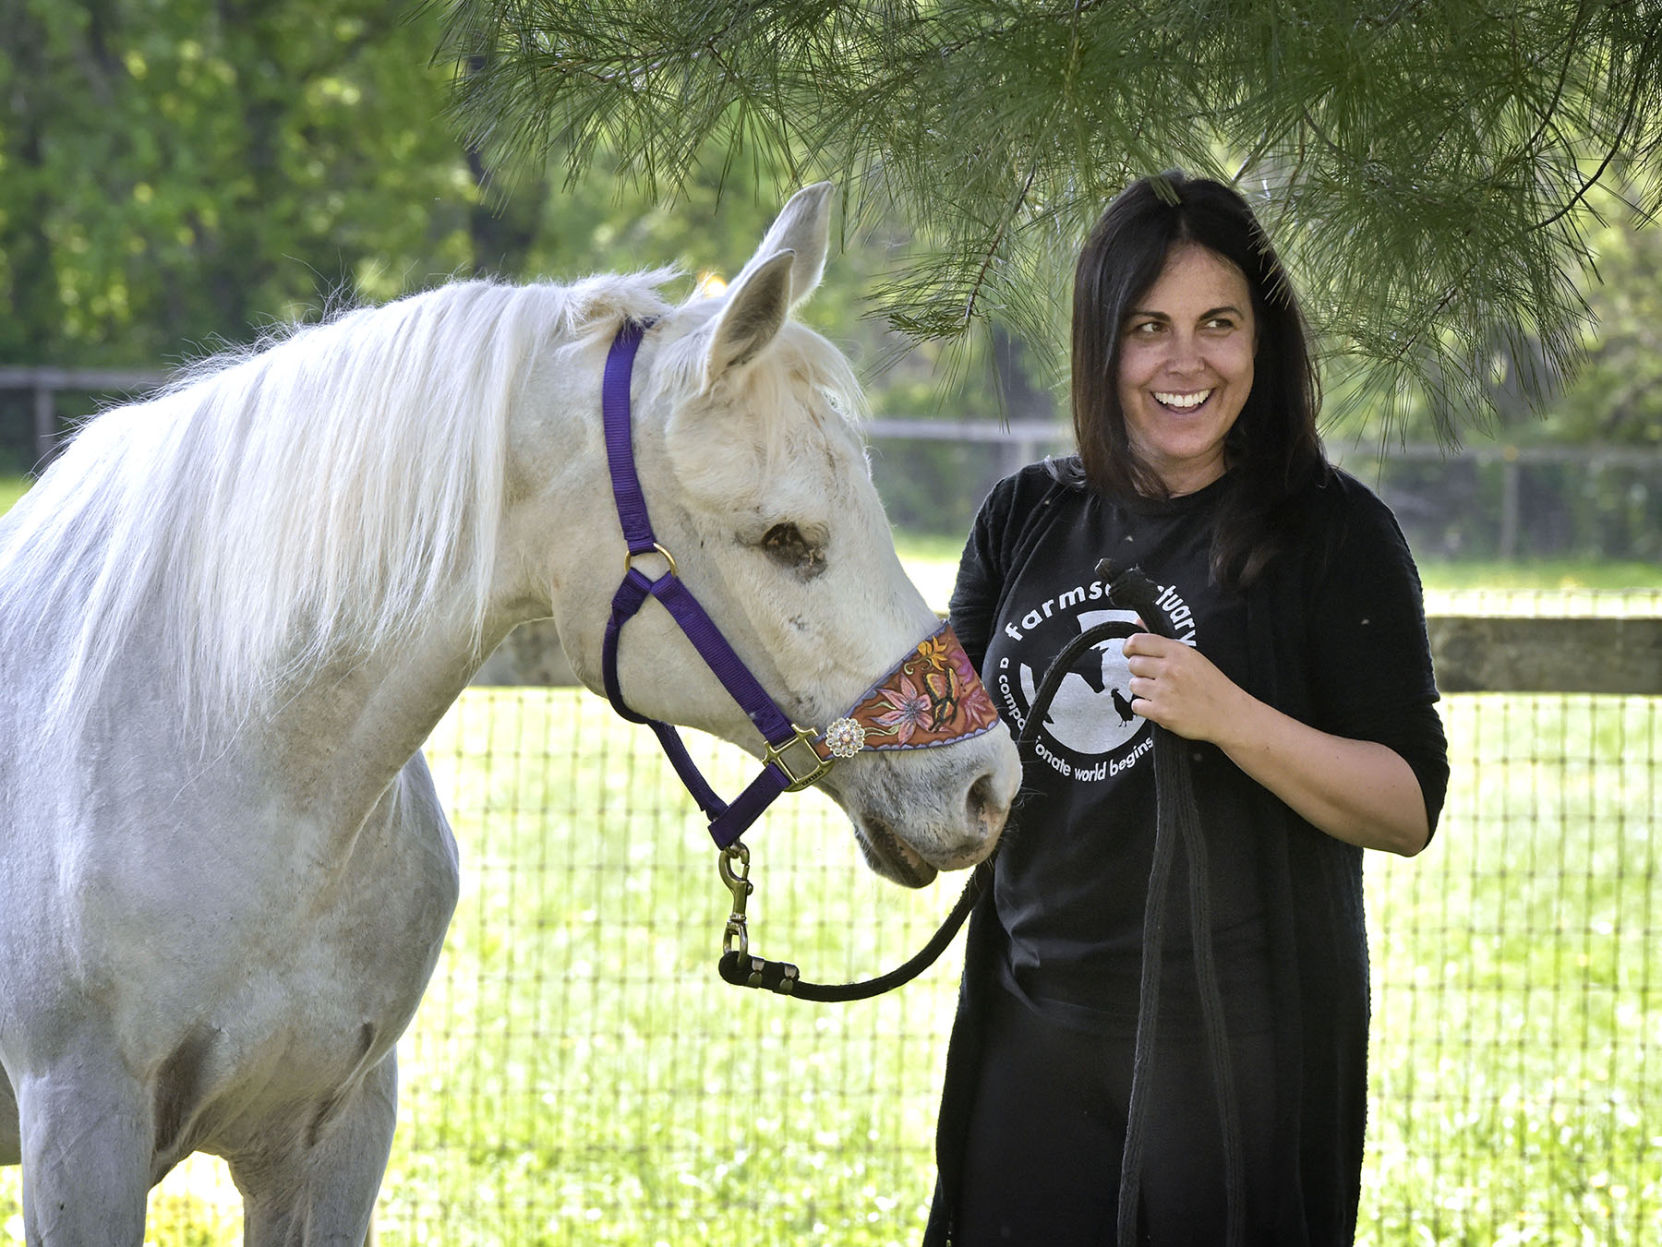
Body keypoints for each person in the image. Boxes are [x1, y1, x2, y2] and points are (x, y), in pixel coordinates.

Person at [925, 171, 1450, 1246]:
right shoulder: (1025, 514)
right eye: (1147, 327)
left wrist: (1231, 716)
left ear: (1265, 341)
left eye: (1219, 324)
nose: (1185, 362)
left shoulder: (1333, 534)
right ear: (1100, 345)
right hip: (1033, 1027)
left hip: (1236, 1055)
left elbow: (1406, 805)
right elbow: (944, 753)